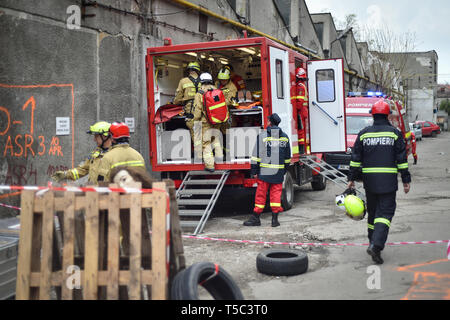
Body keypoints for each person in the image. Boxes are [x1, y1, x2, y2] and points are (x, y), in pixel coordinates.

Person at [347, 99, 411, 264]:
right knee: (385, 214)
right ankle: (376, 246)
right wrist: (406, 179)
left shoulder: (364, 133)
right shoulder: (394, 133)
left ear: (373, 115)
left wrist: (351, 178)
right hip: (388, 182)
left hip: (370, 182)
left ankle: (371, 242)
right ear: (388, 115)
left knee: (373, 214)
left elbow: (355, 159)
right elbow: (402, 160)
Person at [244, 113, 291, 227]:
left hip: (265, 172)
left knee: (261, 195)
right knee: (276, 196)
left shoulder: (263, 136)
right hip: (278, 173)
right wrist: (283, 170)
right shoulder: (284, 137)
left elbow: (256, 156)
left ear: (270, 122)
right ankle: (274, 220)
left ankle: (256, 218)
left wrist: (254, 171)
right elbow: (287, 157)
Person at [192, 72, 224, 172]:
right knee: (216, 140)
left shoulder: (200, 93)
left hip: (206, 122)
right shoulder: (217, 91)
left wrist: (195, 121)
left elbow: (197, 111)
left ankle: (210, 165)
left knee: (206, 143)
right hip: (217, 120)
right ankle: (220, 160)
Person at [173, 61, 201, 140]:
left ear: (189, 70)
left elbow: (178, 98)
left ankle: (198, 151)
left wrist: (176, 102)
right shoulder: (203, 81)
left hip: (190, 110)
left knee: (194, 133)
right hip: (203, 109)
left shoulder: (183, 81)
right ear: (198, 70)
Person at [292, 67, 309, 154]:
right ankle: (301, 148)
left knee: (300, 129)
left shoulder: (300, 86)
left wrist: (296, 110)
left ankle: (301, 149)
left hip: (301, 110)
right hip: (303, 110)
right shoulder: (302, 85)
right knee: (300, 129)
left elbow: (300, 100)